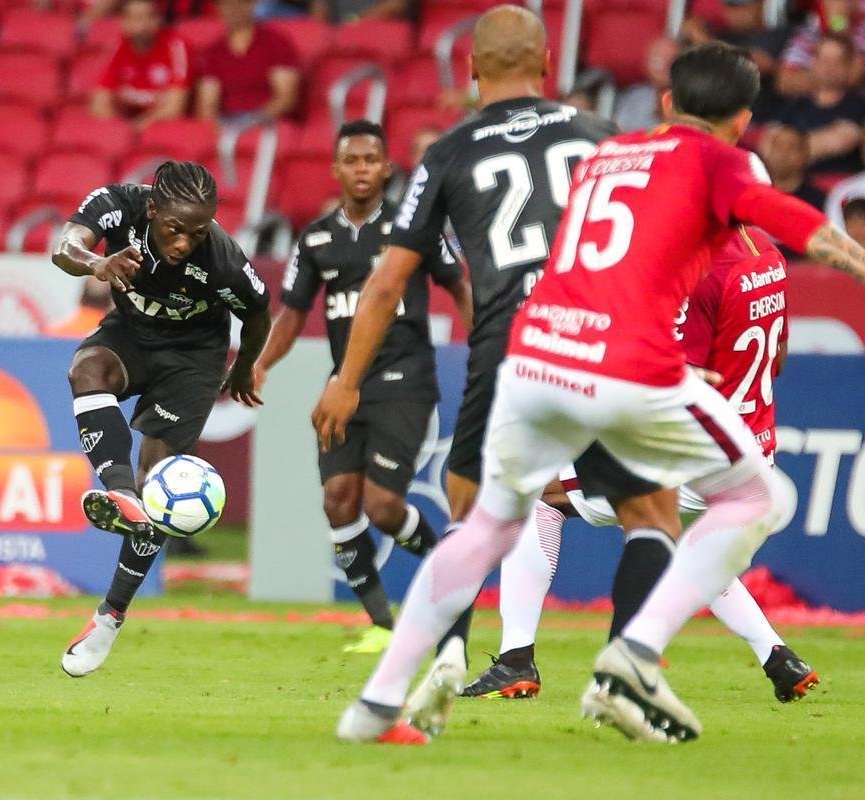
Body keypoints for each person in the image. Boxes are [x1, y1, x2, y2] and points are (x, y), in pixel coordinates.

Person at [329, 41, 865, 746]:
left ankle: (375, 706)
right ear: (742, 120)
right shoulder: (719, 164)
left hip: (537, 351)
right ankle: (633, 658)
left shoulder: (611, 150)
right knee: (759, 498)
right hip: (623, 363)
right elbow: (802, 228)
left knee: (495, 521)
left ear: (667, 103)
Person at [308, 7, 616, 709]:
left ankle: (442, 660)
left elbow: (387, 281)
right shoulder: (600, 134)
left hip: (512, 341)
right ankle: (618, 656)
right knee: (639, 498)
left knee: (468, 496)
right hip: (603, 336)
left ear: (470, 68)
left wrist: (346, 381)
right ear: (547, 65)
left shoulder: (449, 151)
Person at [460, 227, 818, 705]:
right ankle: (779, 658)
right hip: (753, 448)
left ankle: (516, 659)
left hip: (698, 451)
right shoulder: (767, 252)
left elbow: (677, 377)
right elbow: (777, 360)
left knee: (540, 491)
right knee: (687, 545)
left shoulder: (702, 268)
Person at [253, 120, 470, 654]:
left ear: (387, 167)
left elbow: (458, 283)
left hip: (404, 381)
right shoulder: (318, 237)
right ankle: (381, 625)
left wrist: (485, 342)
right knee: (337, 499)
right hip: (342, 387)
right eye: (352, 161)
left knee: (383, 507)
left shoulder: (411, 226)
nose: (362, 170)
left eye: (371, 160)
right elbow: (291, 315)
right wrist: (259, 365)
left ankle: (454, 569)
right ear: (336, 169)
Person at [51, 161, 271, 677]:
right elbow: (64, 246)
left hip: (193, 359)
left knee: (161, 483)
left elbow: (258, 313)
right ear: (151, 209)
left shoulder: (221, 258)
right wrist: (95, 265)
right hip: (131, 334)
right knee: (87, 369)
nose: (182, 244)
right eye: (174, 229)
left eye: (197, 232)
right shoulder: (116, 204)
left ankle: (109, 618)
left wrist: (243, 368)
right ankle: (119, 493)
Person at [91, 0, 193, 131]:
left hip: (166, 128)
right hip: (129, 125)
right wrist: (121, 130)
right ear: (123, 22)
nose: (141, 25)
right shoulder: (116, 47)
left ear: (158, 20)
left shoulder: (176, 45)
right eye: (134, 18)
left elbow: (175, 107)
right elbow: (99, 103)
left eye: (147, 17)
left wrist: (137, 128)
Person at [196, 0, 300, 125]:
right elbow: (207, 104)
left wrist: (251, 122)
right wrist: (216, 128)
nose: (232, 9)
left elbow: (286, 98)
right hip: (228, 123)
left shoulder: (276, 43)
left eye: (238, 3)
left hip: (269, 122)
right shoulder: (214, 52)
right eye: (224, 5)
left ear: (251, 5)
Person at [776, 33, 865, 177]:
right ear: (813, 62)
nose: (829, 68)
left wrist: (786, 150)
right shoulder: (796, 105)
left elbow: (840, 140)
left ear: (849, 66)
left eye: (837, 61)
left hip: (840, 190)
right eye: (824, 60)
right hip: (797, 186)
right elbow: (769, 143)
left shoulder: (859, 106)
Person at [614, 36, 678, 132]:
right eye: (658, 60)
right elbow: (619, 132)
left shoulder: (688, 99)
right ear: (646, 62)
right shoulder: (635, 97)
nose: (664, 66)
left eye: (672, 61)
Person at [758, 124, 827, 209]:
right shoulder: (753, 191)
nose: (783, 154)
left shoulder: (818, 201)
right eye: (778, 146)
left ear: (805, 155)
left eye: (792, 147)